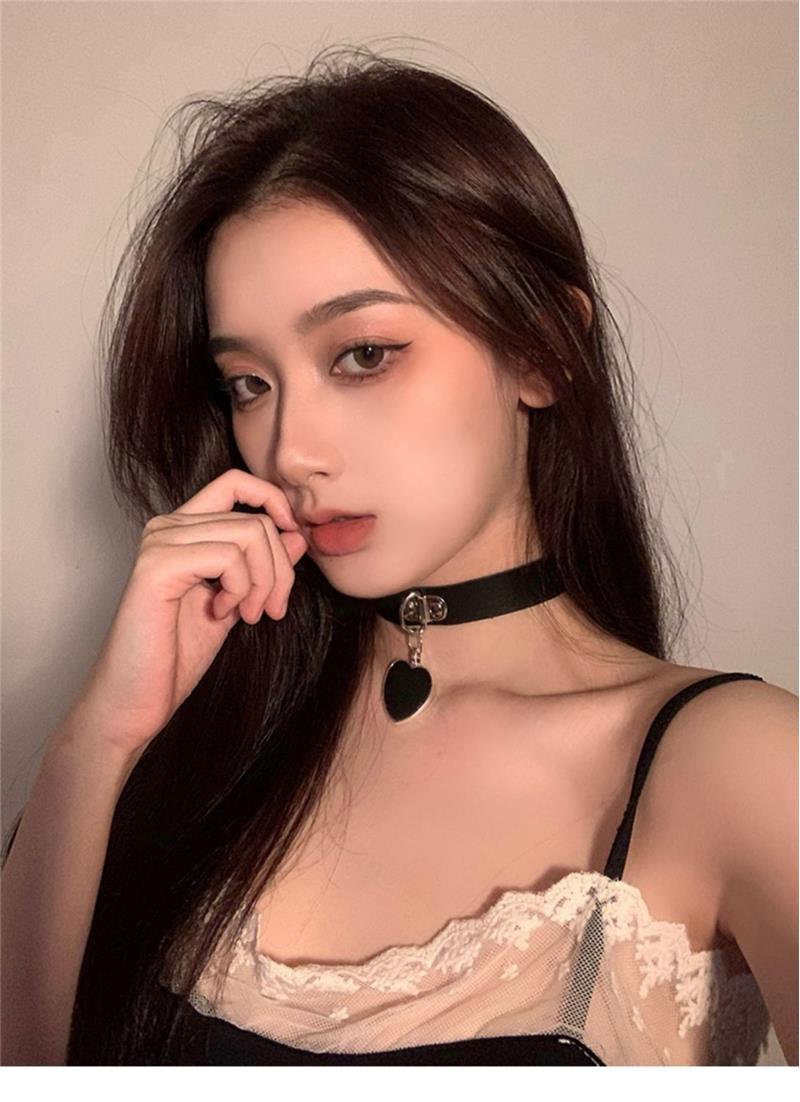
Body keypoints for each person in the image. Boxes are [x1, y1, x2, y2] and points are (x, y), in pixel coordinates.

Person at [2, 44, 796, 1067]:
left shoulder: (734, 763)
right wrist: (99, 739)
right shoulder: (207, 728)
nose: (290, 449)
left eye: (363, 354)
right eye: (249, 384)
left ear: (542, 349)